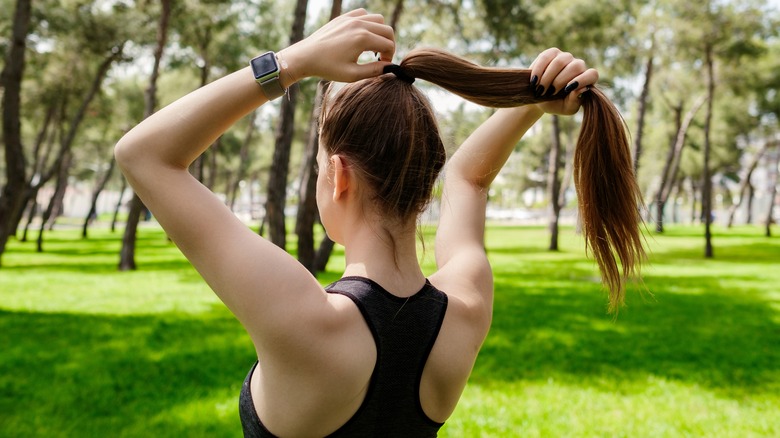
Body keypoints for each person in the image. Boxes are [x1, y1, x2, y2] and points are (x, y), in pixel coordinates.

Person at [115, 9, 644, 437]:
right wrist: (533, 100)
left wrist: (293, 62)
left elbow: (145, 155)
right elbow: (470, 181)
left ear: (338, 175)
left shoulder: (304, 320)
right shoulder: (465, 306)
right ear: (424, 180)